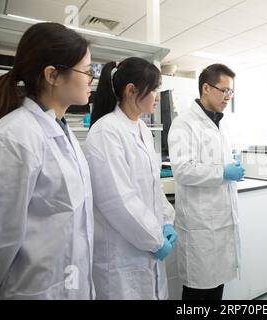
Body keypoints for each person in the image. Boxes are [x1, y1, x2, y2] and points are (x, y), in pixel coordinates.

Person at [0, 22, 94, 299]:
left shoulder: (62, 132)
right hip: (33, 290)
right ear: (53, 75)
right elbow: (2, 238)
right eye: (86, 70)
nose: (91, 78)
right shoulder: (14, 137)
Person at [83, 57, 176, 300]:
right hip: (121, 253)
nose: (157, 95)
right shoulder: (106, 131)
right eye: (154, 88)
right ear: (131, 90)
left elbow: (154, 187)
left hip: (146, 243)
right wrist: (155, 239)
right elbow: (118, 200)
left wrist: (166, 220)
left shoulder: (142, 129)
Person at [168, 63, 245, 300]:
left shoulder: (220, 122)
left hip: (221, 221)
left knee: (216, 287)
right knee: (198, 290)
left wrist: (230, 166)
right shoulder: (185, 123)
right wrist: (223, 172)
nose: (228, 97)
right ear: (206, 88)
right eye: (224, 91)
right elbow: (183, 170)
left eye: (231, 92)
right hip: (199, 224)